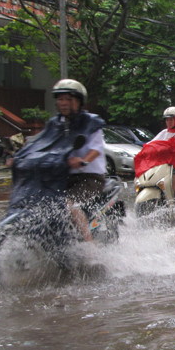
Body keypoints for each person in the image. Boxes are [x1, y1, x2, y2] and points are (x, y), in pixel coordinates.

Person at [52, 79, 106, 242]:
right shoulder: (55, 124)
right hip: (63, 175)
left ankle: (89, 247)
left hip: (90, 177)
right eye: (61, 99)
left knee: (69, 204)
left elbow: (97, 148)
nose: (64, 103)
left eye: (69, 99)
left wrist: (83, 160)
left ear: (79, 101)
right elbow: (42, 143)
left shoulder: (91, 122)